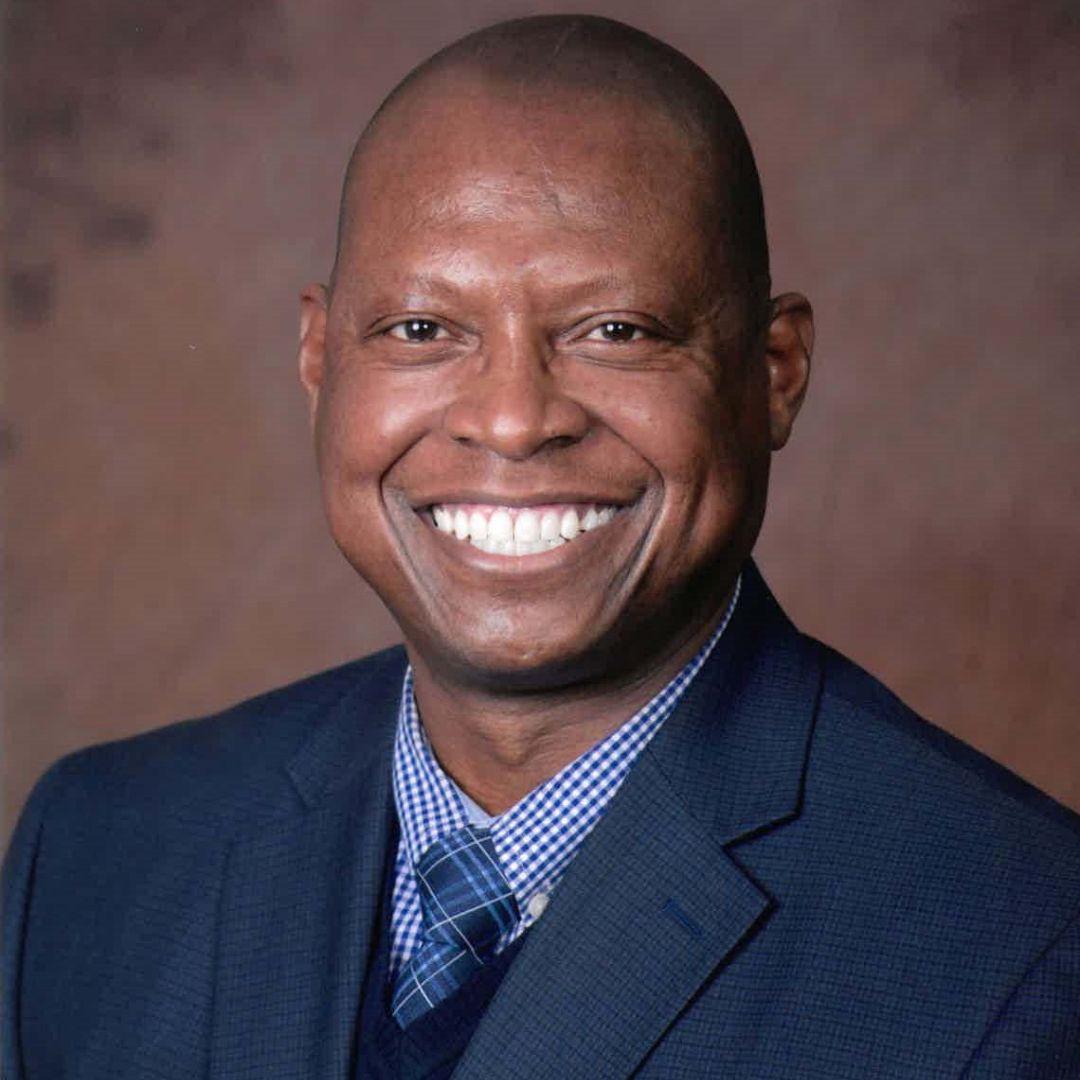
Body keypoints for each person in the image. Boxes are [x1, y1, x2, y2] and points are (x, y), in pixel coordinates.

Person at [4, 15, 1079, 1079]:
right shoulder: (98, 853)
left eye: (616, 330)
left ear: (775, 370)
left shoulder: (1023, 949)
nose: (515, 420)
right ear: (320, 360)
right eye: (423, 329)